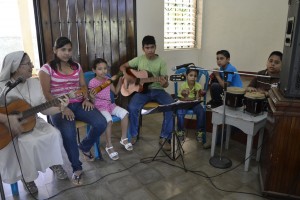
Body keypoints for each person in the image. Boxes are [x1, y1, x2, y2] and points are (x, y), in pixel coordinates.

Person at [38, 37, 107, 184]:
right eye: (63, 50)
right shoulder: (46, 69)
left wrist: (87, 99)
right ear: (55, 50)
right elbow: (47, 94)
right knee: (69, 134)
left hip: (79, 103)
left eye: (69, 50)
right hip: (58, 107)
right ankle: (77, 168)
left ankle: (84, 146)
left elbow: (83, 86)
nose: (67, 53)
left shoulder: (76, 66)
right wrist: (63, 108)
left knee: (101, 122)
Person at [0, 51, 69, 194]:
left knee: (54, 134)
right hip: (13, 129)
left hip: (34, 121)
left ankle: (53, 163)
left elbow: (44, 109)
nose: (32, 66)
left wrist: (60, 107)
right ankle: (28, 178)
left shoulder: (34, 82)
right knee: (28, 143)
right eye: (28, 64)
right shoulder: (2, 87)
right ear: (16, 67)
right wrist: (7, 119)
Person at [119, 35, 174, 150]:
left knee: (170, 105)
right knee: (132, 107)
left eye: (152, 47)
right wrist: (126, 75)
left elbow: (166, 84)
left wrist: (164, 83)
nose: (150, 50)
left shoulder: (161, 62)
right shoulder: (139, 59)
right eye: (147, 48)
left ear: (155, 47)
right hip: (142, 91)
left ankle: (165, 137)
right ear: (143, 48)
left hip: (158, 90)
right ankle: (134, 135)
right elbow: (123, 66)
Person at [89, 58, 132, 161]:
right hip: (99, 107)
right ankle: (109, 146)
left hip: (110, 105)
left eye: (105, 68)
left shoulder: (107, 79)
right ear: (94, 70)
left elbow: (116, 92)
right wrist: (92, 96)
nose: (103, 71)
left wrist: (120, 81)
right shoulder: (92, 82)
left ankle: (124, 138)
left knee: (125, 113)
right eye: (100, 69)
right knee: (109, 120)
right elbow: (92, 100)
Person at [176, 66, 211, 149]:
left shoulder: (198, 86)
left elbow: (199, 97)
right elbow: (180, 98)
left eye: (195, 76)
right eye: (191, 75)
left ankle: (199, 131)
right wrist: (185, 97)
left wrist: (199, 97)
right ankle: (180, 130)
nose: (193, 77)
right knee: (180, 111)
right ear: (186, 76)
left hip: (195, 104)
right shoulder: (183, 85)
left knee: (201, 111)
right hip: (184, 103)